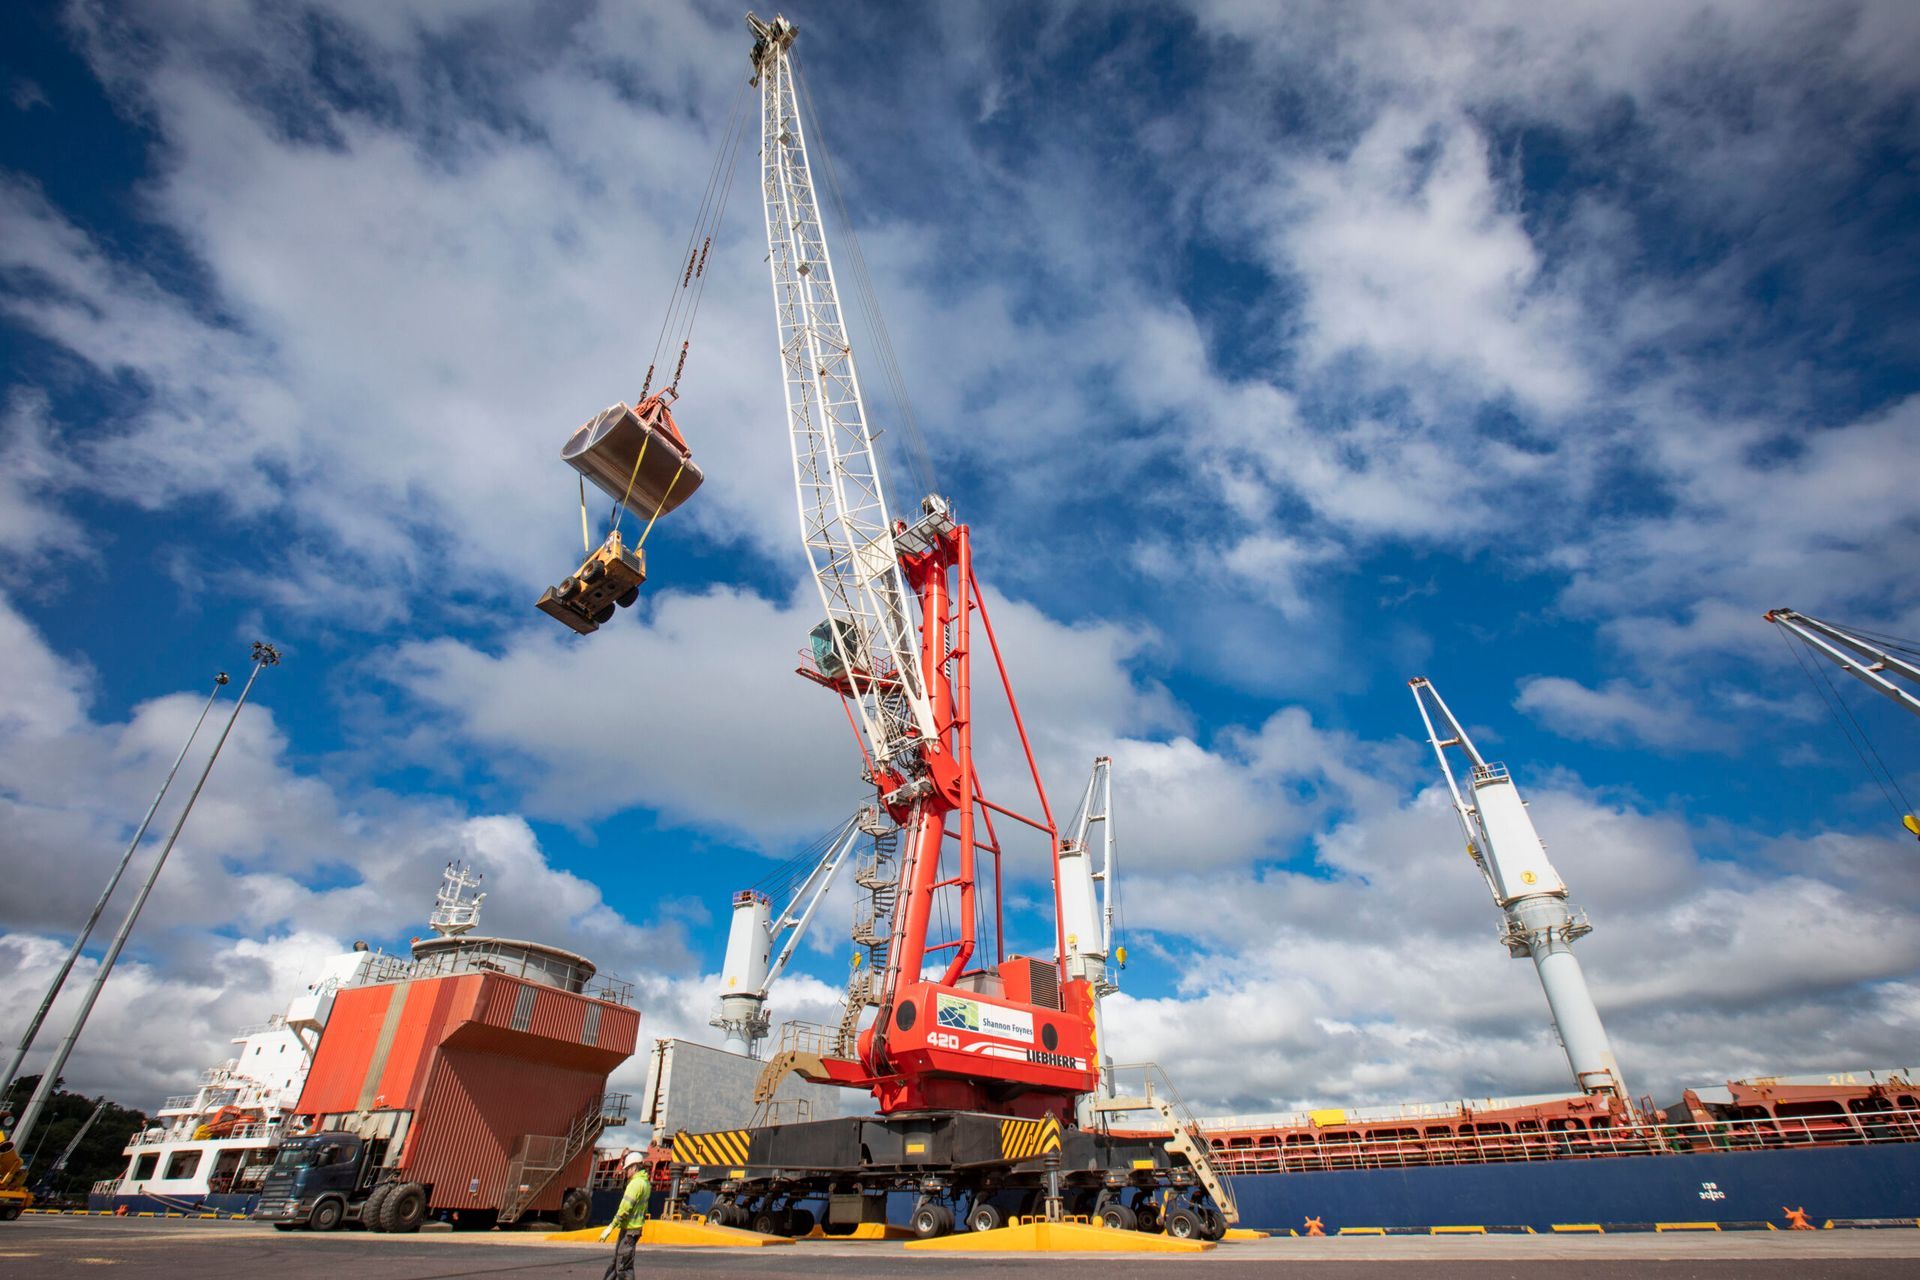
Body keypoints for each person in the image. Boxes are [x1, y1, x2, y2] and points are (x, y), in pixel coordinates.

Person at [600, 1152, 652, 1280]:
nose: (626, 1171)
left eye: (627, 1168)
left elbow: (625, 1208)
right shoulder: (645, 1183)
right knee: (617, 1262)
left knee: (623, 1267)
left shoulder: (635, 1184)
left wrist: (611, 1226)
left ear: (634, 1167)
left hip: (630, 1230)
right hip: (631, 1229)